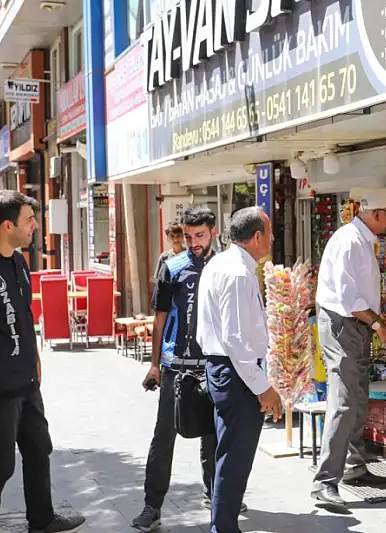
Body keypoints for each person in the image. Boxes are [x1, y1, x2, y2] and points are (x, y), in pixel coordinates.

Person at [0, 190, 85, 533]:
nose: (36, 226)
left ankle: (42, 519)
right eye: (30, 220)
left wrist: (34, 356)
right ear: (8, 225)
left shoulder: (19, 262)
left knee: (39, 450)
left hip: (26, 381)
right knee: (0, 463)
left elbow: (23, 316)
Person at [133, 207, 244, 532]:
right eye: (188, 236)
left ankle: (217, 497)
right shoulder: (173, 267)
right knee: (163, 437)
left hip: (214, 367)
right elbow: (160, 319)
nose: (193, 242)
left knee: (214, 438)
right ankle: (152, 507)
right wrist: (154, 364)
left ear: (213, 232)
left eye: (199, 235)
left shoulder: (226, 267)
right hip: (175, 369)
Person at [310, 191, 386, 507]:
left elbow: (358, 293)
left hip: (351, 325)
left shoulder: (359, 240)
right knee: (344, 400)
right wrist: (380, 325)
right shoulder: (352, 241)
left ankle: (353, 466)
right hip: (344, 324)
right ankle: (325, 482)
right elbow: (351, 300)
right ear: (377, 214)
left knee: (357, 397)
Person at [197, 207, 280, 533]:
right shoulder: (236, 272)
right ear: (257, 237)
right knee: (234, 456)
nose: (272, 239)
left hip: (230, 369)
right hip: (235, 372)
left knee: (230, 454)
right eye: (269, 233)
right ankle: (224, 527)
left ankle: (224, 523)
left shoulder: (223, 264)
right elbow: (235, 340)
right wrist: (263, 387)